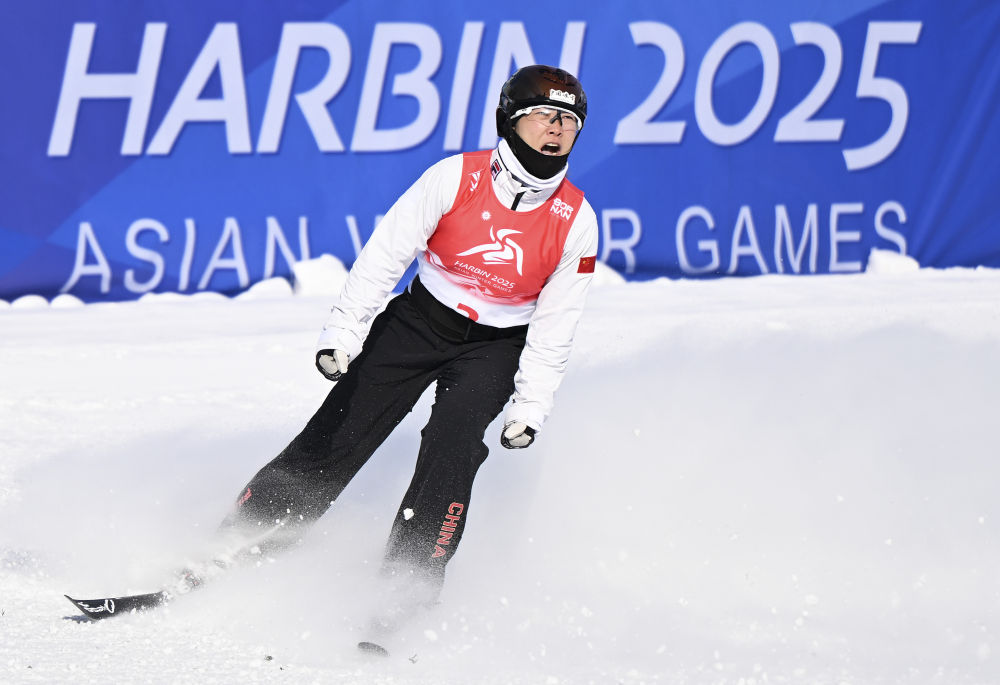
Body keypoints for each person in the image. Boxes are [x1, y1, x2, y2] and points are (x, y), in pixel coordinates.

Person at [210, 65, 599, 621]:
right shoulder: (455, 177)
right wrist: (344, 332)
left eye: (569, 120)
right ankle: (241, 538)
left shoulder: (576, 219)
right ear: (509, 121)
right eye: (543, 115)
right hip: (421, 318)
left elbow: (559, 321)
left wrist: (532, 403)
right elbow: (385, 254)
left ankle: (407, 590)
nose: (556, 128)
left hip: (496, 345)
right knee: (345, 424)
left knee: (453, 448)